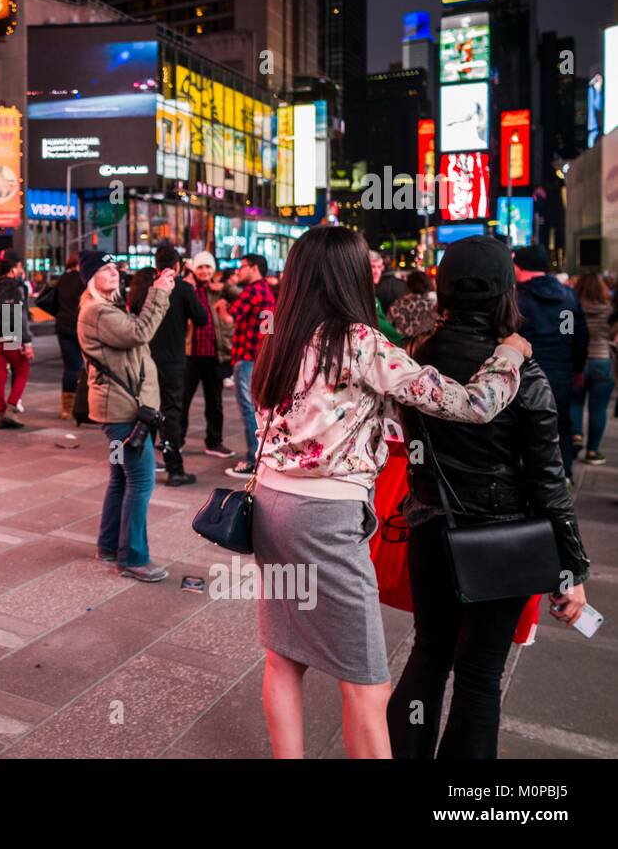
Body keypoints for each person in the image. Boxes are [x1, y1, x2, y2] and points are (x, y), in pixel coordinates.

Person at [249, 226, 530, 759]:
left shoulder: (278, 339)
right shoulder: (360, 341)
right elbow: (470, 404)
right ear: (349, 275)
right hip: (326, 518)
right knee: (367, 681)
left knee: (283, 658)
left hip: (269, 506)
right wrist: (510, 355)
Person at [388, 236, 590, 759]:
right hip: (501, 543)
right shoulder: (526, 374)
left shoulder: (415, 359)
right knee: (479, 677)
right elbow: (550, 484)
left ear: (443, 287)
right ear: (506, 290)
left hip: (431, 528)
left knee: (428, 653)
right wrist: (573, 571)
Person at [77, 250, 176, 582]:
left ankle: (108, 547)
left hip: (121, 408)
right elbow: (139, 333)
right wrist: (159, 291)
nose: (114, 272)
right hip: (123, 412)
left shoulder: (104, 309)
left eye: (115, 267)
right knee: (141, 480)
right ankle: (133, 558)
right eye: (105, 269)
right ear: (91, 278)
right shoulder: (96, 312)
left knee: (121, 478)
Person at [514, 244, 588, 483]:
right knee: (561, 422)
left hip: (527, 370)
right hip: (560, 369)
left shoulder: (517, 298)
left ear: (520, 267)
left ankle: (531, 476)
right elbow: (577, 335)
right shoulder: (567, 296)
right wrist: (577, 368)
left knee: (525, 426)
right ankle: (563, 474)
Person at [147, 245, 206, 485]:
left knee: (149, 411)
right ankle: (175, 468)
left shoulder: (148, 288)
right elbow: (201, 319)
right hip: (173, 361)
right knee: (171, 414)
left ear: (156, 267)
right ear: (179, 266)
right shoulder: (183, 288)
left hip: (148, 360)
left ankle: (145, 462)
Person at [224, 253, 275, 479]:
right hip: (261, 358)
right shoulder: (268, 292)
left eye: (242, 266)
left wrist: (220, 306)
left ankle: (253, 459)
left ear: (254, 268)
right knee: (260, 411)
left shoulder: (253, 291)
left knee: (249, 410)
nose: (238, 271)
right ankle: (262, 456)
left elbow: (229, 317)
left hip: (246, 358)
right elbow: (270, 330)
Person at [181, 251, 236, 458]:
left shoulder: (219, 291)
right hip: (190, 353)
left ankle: (214, 442)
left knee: (215, 401)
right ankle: (176, 441)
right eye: (200, 267)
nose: (204, 271)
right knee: (183, 400)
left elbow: (241, 295)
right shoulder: (188, 289)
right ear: (194, 269)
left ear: (213, 269)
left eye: (208, 267)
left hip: (214, 353)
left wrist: (225, 287)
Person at [571, 272, 614, 465]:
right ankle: (593, 451)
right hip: (603, 361)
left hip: (578, 362)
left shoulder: (572, 309)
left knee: (575, 403)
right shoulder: (610, 310)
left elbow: (567, 335)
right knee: (598, 409)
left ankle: (576, 436)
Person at [0, 255, 34, 429]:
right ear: (11, 271)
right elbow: (21, 316)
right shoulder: (15, 288)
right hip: (11, 334)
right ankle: (11, 408)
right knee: (22, 369)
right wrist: (27, 343)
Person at [55, 253, 86, 419]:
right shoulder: (85, 281)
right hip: (81, 327)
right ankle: (84, 405)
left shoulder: (61, 280)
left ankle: (66, 409)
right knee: (86, 367)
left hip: (63, 327)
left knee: (70, 368)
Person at [388, 270, 439, 342]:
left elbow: (388, 324)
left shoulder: (399, 303)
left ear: (409, 284)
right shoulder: (434, 303)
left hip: (404, 345)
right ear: (427, 283)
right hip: (426, 344)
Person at [368, 249, 404, 345]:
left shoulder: (371, 291)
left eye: (379, 267)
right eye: (373, 267)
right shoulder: (366, 293)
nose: (377, 271)